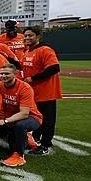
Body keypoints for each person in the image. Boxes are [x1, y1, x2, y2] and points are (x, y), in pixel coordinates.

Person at [0, 64, 43, 167]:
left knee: (20, 125)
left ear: (15, 74)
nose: (3, 76)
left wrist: (6, 121)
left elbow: (24, 113)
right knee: (9, 146)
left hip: (32, 117)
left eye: (7, 74)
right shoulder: (0, 85)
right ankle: (25, 139)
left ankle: (20, 156)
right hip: (13, 117)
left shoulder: (25, 88)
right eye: (1, 74)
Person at [21, 27, 62, 155]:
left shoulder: (45, 50)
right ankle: (37, 140)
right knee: (37, 119)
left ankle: (45, 145)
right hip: (34, 93)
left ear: (37, 36)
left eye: (30, 35)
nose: (27, 38)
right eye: (25, 36)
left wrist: (33, 78)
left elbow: (54, 68)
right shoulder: (27, 51)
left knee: (48, 120)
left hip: (47, 93)